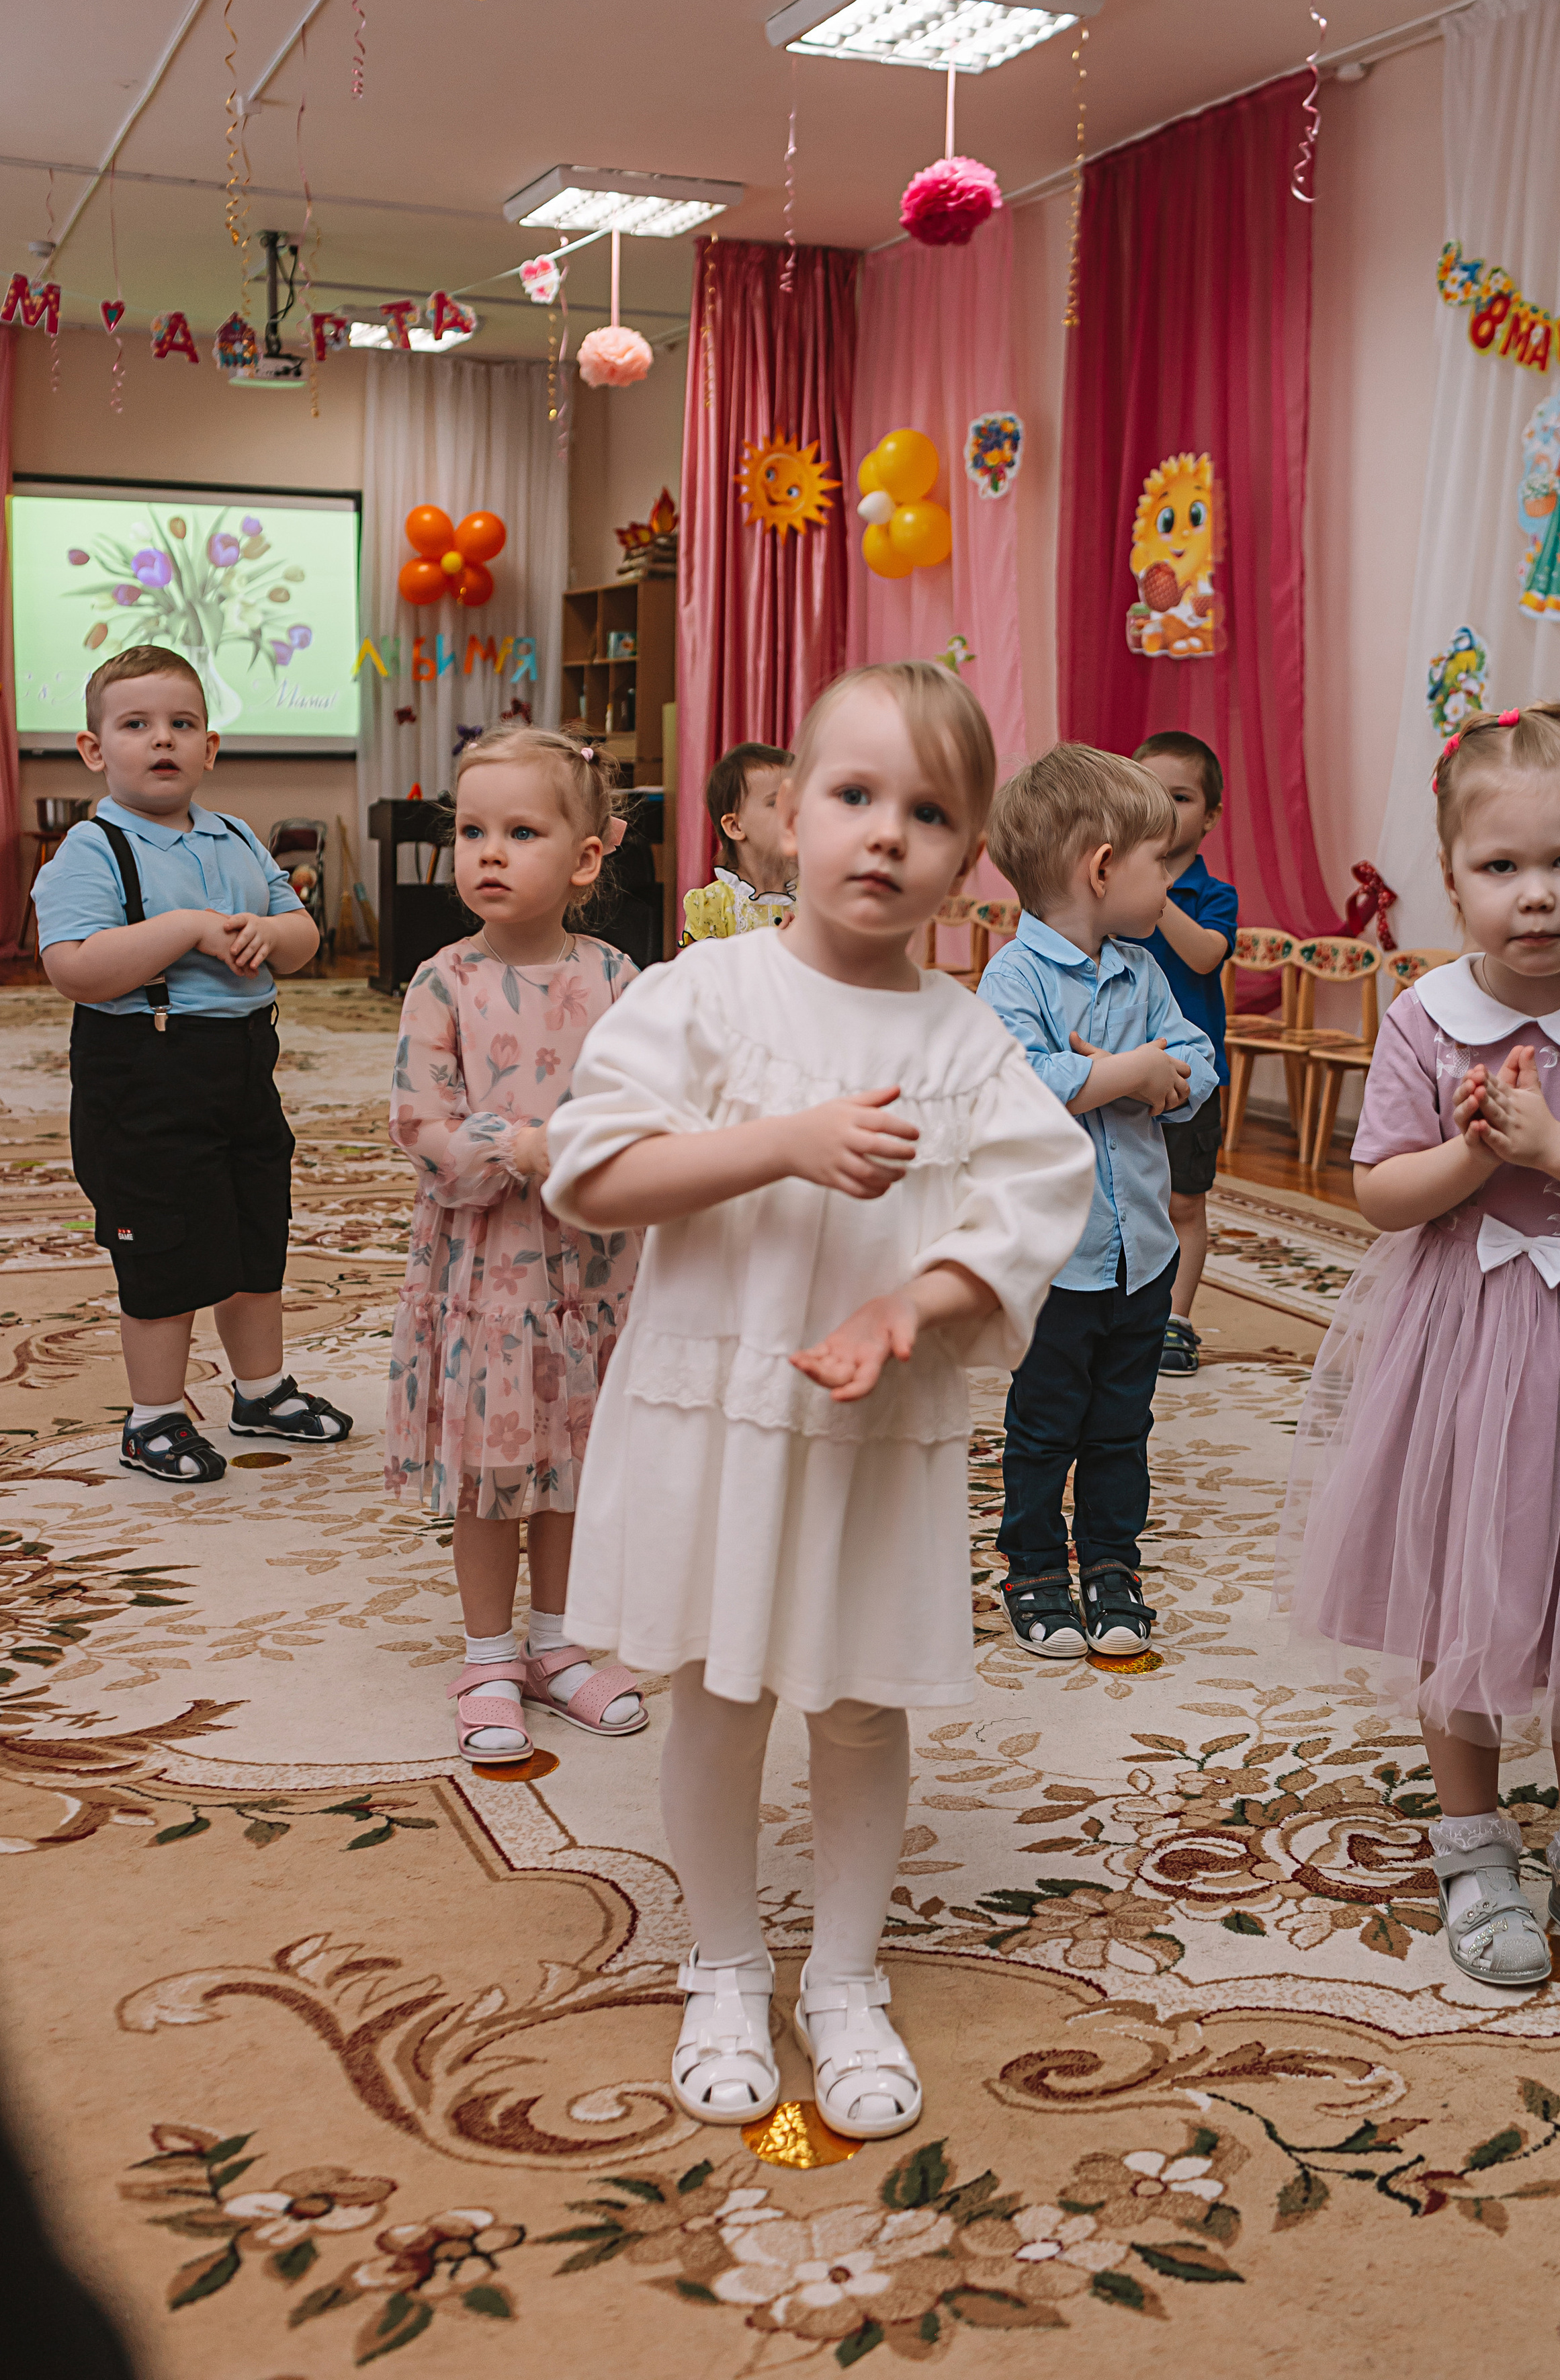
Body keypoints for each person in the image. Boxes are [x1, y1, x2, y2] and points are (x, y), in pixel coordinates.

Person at [543, 663, 1092, 2139]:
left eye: (927, 813)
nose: (883, 836)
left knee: (856, 1710)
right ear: (785, 816)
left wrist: (912, 1305)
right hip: (714, 1413)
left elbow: (1040, 1198)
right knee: (716, 1700)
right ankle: (723, 1965)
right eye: (853, 797)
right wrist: (780, 1141)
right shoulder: (705, 992)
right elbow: (591, 1171)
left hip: (866, 1435)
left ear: (967, 860)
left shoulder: (967, 1039)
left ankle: (843, 1979)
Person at [1279, 702, 1560, 1996]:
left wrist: (1552, 1148)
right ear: (1452, 871)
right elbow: (1379, 1195)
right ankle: (1473, 1844)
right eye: (1500, 869)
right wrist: (1472, 1153)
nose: (1536, 897)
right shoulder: (1426, 1016)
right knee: (1462, 1594)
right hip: (1465, 1344)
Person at [386, 726, 648, 1762]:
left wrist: (581, 1147)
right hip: (488, 1275)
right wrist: (521, 1145)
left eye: (522, 831)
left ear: (588, 857)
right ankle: (490, 1652)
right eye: (472, 831)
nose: (488, 852)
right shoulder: (443, 982)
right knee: (497, 1466)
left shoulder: (622, 979)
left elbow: (644, 1109)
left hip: (592, 1270)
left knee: (577, 1461)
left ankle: (559, 1642)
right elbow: (421, 1125)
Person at [34, 645, 352, 1482]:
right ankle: (154, 1418)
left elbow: (304, 937)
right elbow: (73, 966)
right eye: (136, 725)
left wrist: (270, 933)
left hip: (242, 1069)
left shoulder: (238, 835)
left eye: (182, 724)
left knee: (255, 1235)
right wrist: (187, 929)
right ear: (96, 750)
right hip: (144, 1074)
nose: (161, 740)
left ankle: (262, 1388)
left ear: (210, 748)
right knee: (165, 1250)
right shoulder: (92, 849)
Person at [978, 746, 1219, 1662]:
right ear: (1104, 867)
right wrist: (1125, 1073)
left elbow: (1198, 1064)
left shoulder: (1143, 973)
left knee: (1123, 1422)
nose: (1171, 879)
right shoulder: (1015, 980)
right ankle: (1035, 1566)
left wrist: (1151, 1076)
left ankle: (1112, 1564)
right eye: (1161, 863)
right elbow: (1018, 1083)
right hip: (1056, 1257)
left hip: (1144, 1252)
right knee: (1044, 1426)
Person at [1133, 731, 1236, 1374]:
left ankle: (1175, 1318)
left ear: (1211, 815)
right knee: (1116, 1193)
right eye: (1150, 794)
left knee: (1185, 1202)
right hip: (1119, 1070)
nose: (1165, 810)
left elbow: (1203, 954)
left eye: (1180, 797)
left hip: (1191, 1075)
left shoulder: (1212, 895)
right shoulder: (1106, 883)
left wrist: (1155, 893)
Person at [681, 740, 795, 941]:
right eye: (776, 802)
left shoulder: (818, 898)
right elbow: (701, 971)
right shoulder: (712, 906)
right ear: (735, 827)